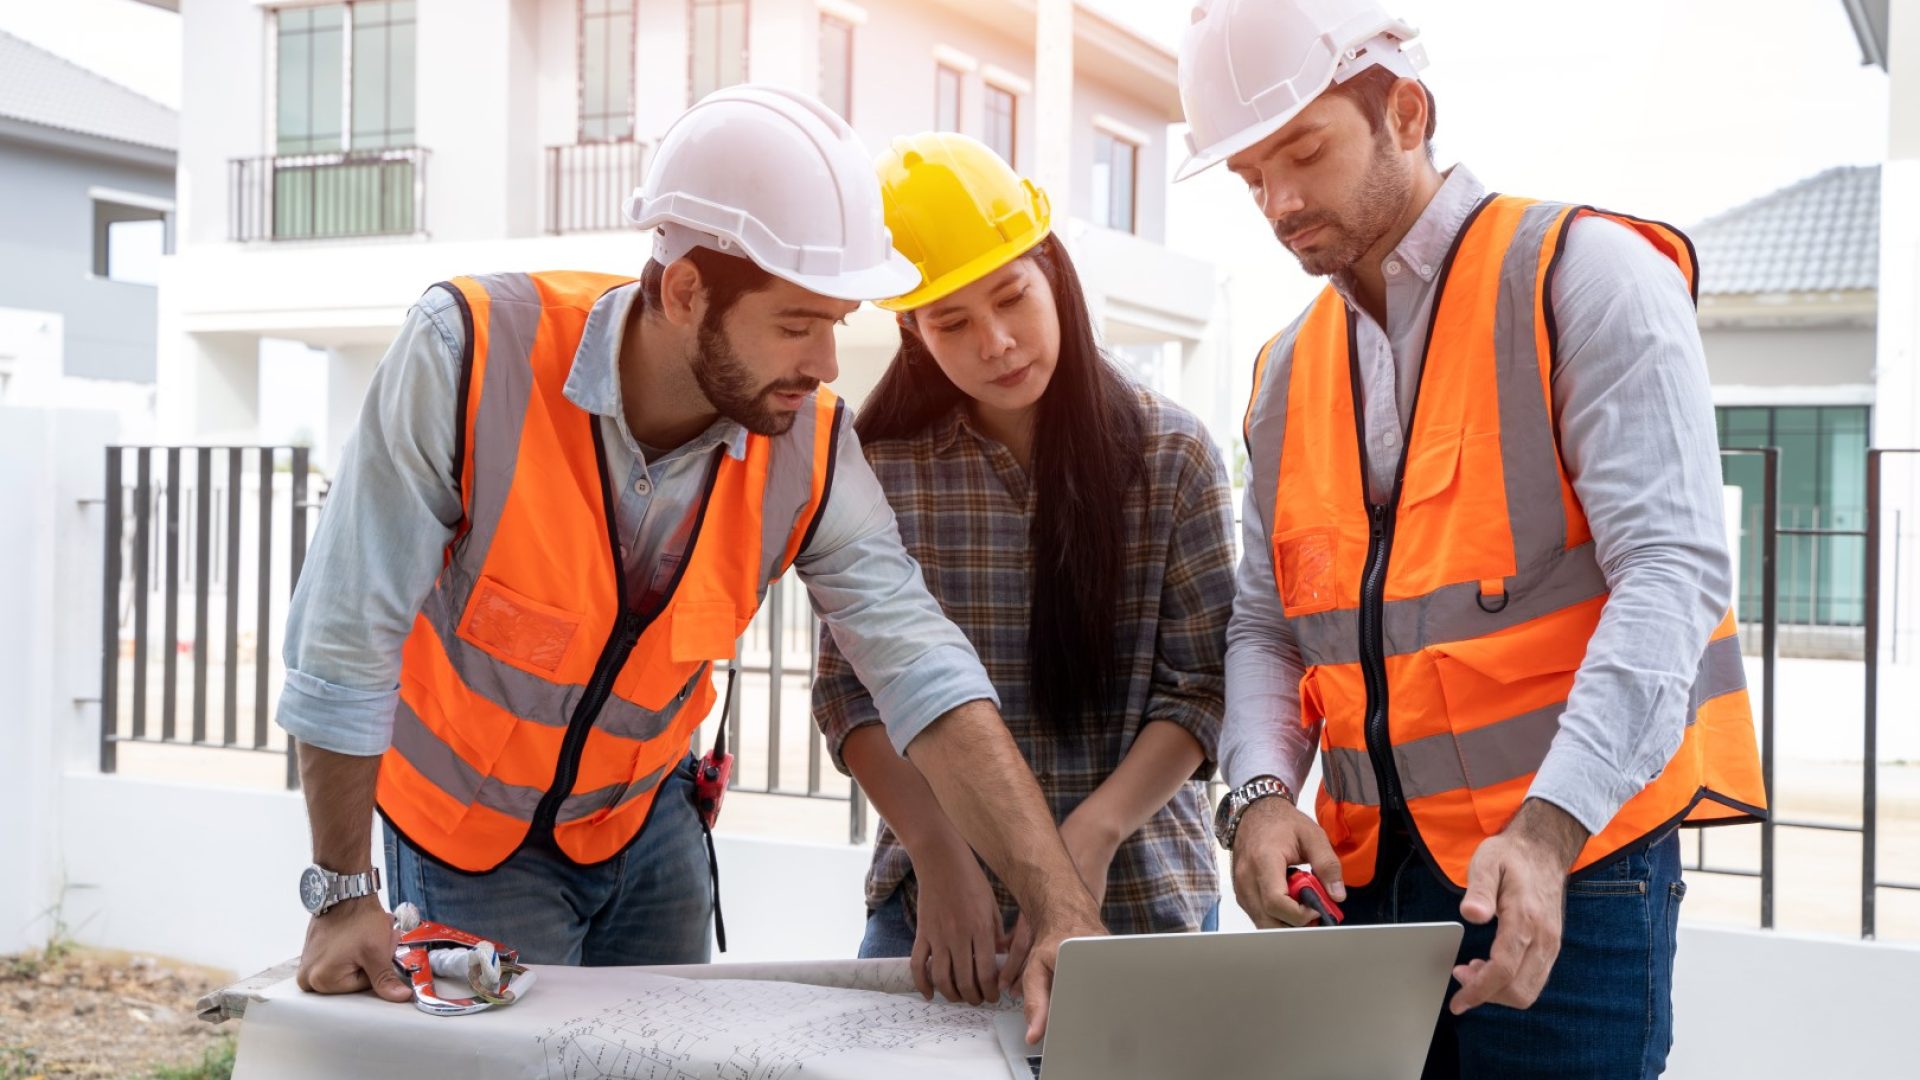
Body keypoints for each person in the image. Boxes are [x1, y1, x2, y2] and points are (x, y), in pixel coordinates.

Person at [278, 86, 1100, 1041]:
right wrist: (342, 892)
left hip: (647, 828)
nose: (828, 363)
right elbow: (345, 636)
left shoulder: (811, 444)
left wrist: (1060, 908)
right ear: (684, 293)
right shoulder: (472, 354)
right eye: (797, 324)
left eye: (837, 321)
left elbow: (919, 663)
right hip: (467, 847)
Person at [1179, 2, 1768, 1076]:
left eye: (1304, 152)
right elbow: (1270, 626)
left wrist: (1548, 832)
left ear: (1407, 111)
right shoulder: (1284, 374)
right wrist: (1260, 798)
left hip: (1573, 870)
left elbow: (1670, 574)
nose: (1280, 202)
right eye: (1250, 178)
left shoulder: (1582, 276)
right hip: (1363, 890)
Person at [811, 132, 1236, 1006]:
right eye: (952, 321)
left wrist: (1092, 832)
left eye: (1012, 297)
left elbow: (1199, 691)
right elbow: (850, 697)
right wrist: (937, 848)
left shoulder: (1173, 453)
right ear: (913, 332)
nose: (997, 342)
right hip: (944, 908)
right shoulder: (875, 467)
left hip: (1143, 896)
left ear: (1055, 274)